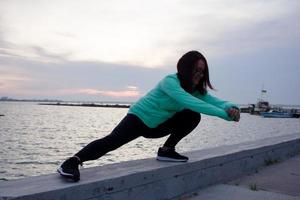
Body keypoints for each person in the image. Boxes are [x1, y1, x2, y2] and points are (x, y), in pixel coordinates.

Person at [57, 50, 240, 182]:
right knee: (112, 141)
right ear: (185, 68)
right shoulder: (170, 82)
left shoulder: (195, 90)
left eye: (202, 71)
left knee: (193, 116)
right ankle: (72, 161)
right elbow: (190, 102)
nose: (200, 75)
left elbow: (215, 101)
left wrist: (231, 108)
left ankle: (167, 151)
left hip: (158, 125)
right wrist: (226, 116)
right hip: (139, 118)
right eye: (196, 70)